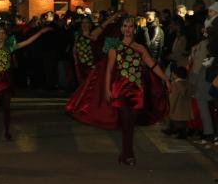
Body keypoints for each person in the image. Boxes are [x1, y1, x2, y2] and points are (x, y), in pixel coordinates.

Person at [67, 15, 170, 165]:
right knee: (126, 122)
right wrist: (107, 89)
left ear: (134, 29)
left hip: (137, 91)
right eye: (125, 26)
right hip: (120, 89)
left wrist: (166, 79)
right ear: (121, 29)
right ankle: (129, 155)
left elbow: (152, 65)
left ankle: (125, 154)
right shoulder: (114, 47)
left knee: (130, 124)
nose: (128, 30)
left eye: (130, 27)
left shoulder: (140, 48)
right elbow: (109, 69)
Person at [0, 23, 52, 144]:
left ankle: (7, 132)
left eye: (3, 33)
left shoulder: (10, 47)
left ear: (6, 35)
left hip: (6, 81)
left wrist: (40, 33)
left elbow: (28, 42)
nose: (1, 35)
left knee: (7, 108)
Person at [73, 13, 120, 85]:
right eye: (83, 22)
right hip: (80, 66)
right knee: (82, 86)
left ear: (90, 24)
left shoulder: (94, 34)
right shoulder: (77, 35)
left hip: (92, 66)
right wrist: (76, 63)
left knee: (91, 86)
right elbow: (75, 50)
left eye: (87, 22)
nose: (84, 24)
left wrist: (114, 16)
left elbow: (104, 25)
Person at [163, 66, 193, 139]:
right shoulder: (188, 83)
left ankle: (175, 131)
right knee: (183, 122)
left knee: (175, 120)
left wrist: (170, 106)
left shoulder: (175, 84)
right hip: (185, 106)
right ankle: (173, 130)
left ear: (175, 74)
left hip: (177, 106)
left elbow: (173, 96)